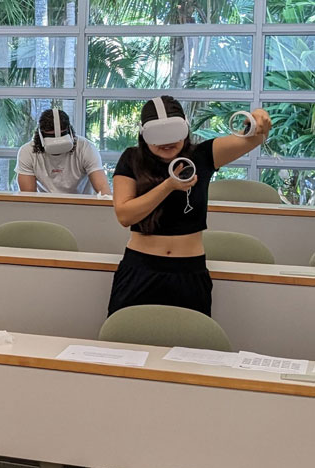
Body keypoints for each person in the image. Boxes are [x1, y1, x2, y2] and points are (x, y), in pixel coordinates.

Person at [108, 95, 271, 318]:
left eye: (174, 134)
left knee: (191, 348)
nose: (167, 143)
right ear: (144, 134)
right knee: (127, 342)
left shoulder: (203, 155)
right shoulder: (132, 159)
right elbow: (125, 215)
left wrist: (259, 119)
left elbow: (254, 138)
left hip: (189, 270)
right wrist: (168, 186)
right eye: (158, 136)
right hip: (139, 268)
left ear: (185, 127)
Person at [17, 108, 110, 195]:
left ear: (70, 132)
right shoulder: (27, 152)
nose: (56, 143)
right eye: (50, 136)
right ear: (40, 134)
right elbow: (28, 196)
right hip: (44, 206)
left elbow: (103, 190)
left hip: (81, 206)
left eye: (62, 135)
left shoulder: (86, 148)